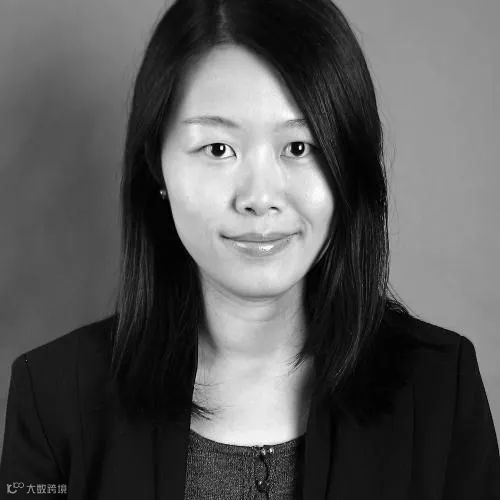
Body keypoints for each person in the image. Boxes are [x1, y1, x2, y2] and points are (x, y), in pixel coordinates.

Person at [1, 0, 499, 498]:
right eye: (218, 149)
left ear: (348, 163)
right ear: (157, 164)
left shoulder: (440, 391)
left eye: (299, 147)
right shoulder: (53, 400)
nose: (259, 198)